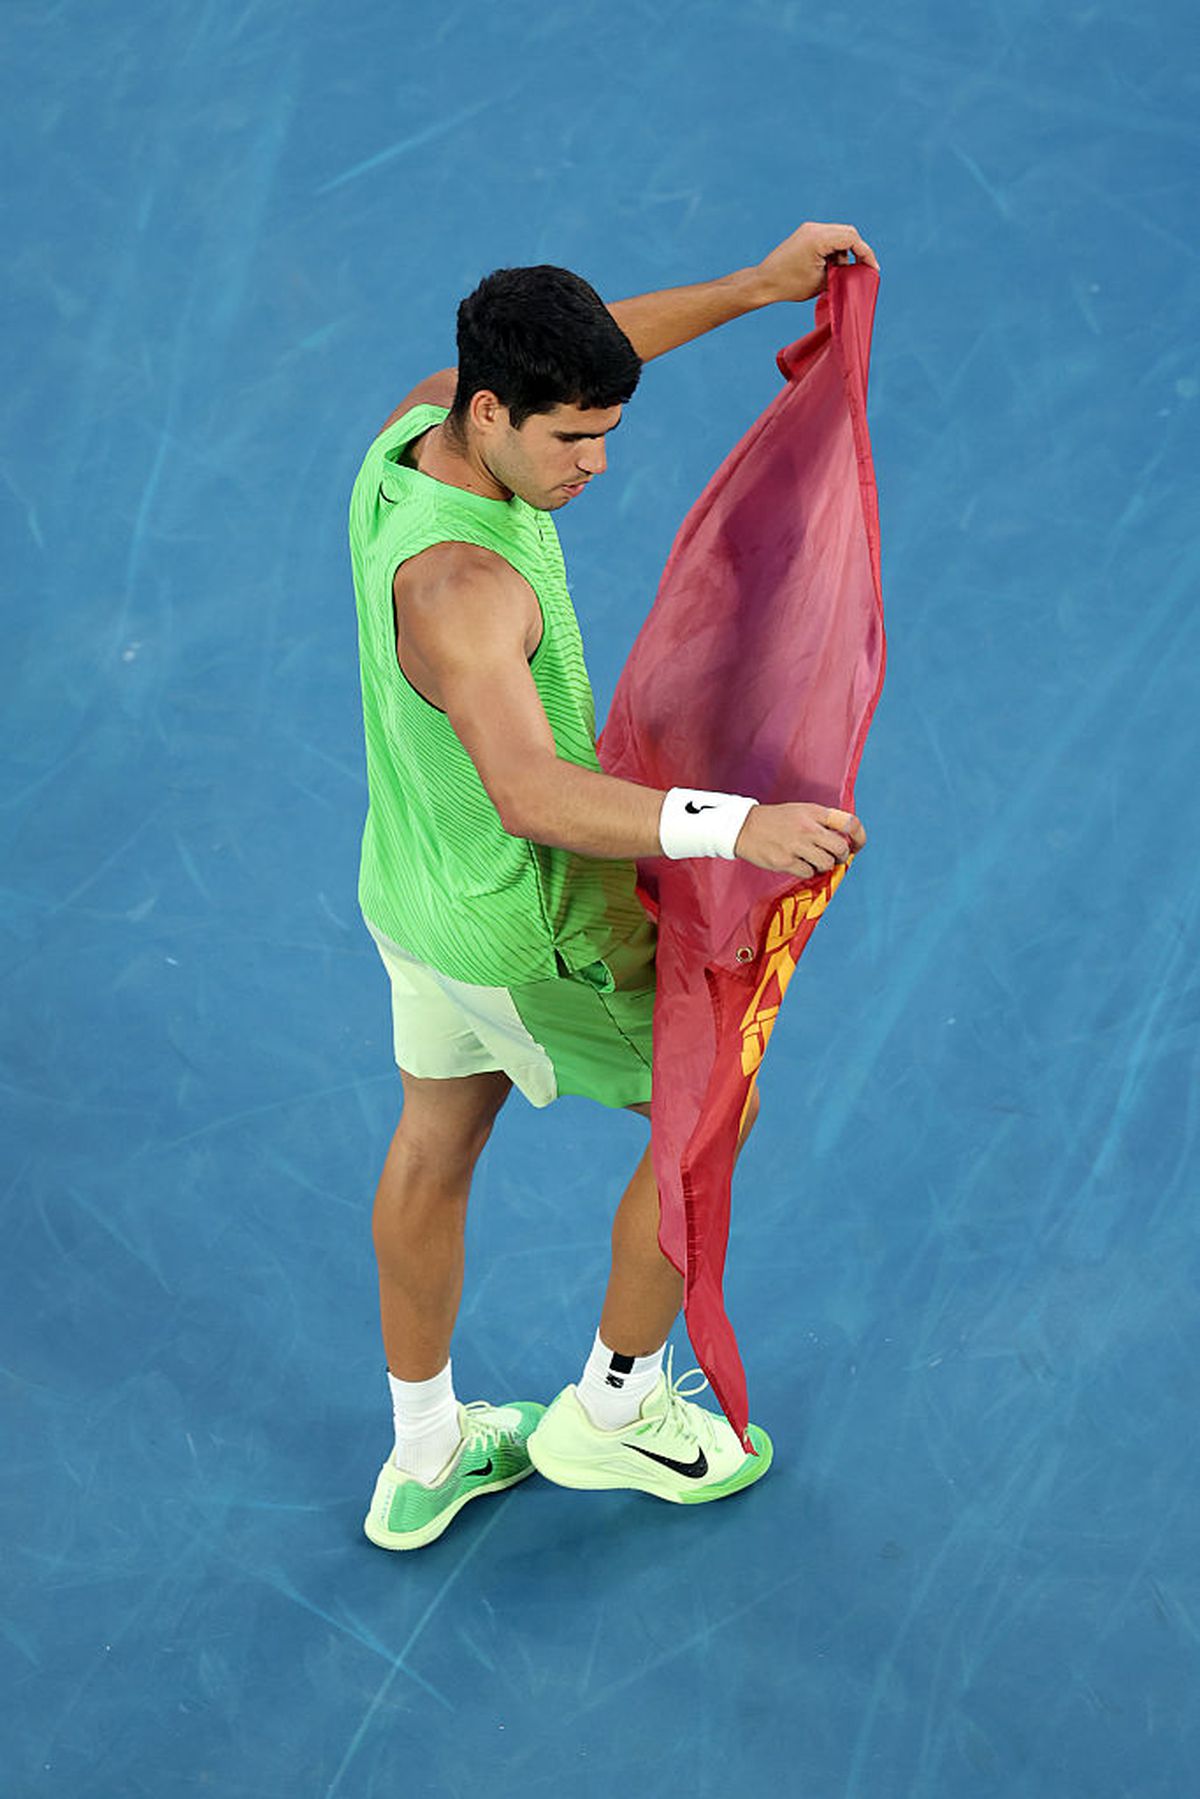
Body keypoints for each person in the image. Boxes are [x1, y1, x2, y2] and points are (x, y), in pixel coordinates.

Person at [349, 220, 876, 1551]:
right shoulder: (465, 588)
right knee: (706, 1114)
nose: (594, 466)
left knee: (433, 1147)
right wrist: (737, 827)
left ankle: (426, 1450)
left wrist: (753, 288)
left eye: (606, 433)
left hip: (414, 896)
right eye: (573, 440)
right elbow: (532, 794)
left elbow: (592, 351)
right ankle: (617, 1407)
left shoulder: (415, 430)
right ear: (493, 413)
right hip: (532, 939)